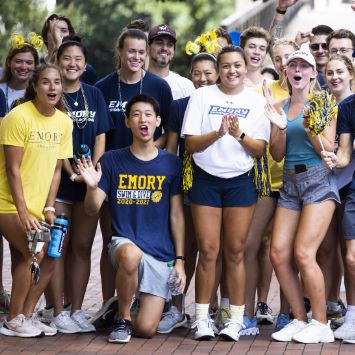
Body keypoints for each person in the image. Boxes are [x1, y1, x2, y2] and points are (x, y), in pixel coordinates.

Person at [76, 94, 186, 343]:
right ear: (127, 122)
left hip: (160, 253)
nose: (142, 120)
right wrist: (92, 187)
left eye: (148, 114)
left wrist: (179, 260)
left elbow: (177, 215)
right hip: (124, 245)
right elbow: (92, 210)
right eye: (136, 115)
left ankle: (117, 310)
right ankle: (124, 319)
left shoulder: (171, 164)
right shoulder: (112, 159)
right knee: (130, 254)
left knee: (147, 329)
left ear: (158, 121)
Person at [181, 45, 270, 341]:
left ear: (246, 68)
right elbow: (190, 145)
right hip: (205, 180)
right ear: (218, 70)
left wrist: (238, 134)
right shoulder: (201, 96)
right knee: (208, 251)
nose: (232, 71)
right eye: (226, 66)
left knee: (235, 251)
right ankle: (203, 318)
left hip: (240, 181)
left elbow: (259, 151)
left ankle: (234, 319)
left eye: (237, 65)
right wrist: (218, 133)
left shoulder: (255, 102)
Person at [93, 28, 173, 320]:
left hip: (147, 177)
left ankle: (142, 300)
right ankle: (109, 303)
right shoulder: (102, 87)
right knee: (111, 241)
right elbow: (100, 133)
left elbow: (165, 134)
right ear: (120, 52)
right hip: (111, 175)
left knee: (145, 237)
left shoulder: (159, 86)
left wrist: (144, 157)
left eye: (142, 52)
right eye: (131, 51)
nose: (137, 57)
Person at [266, 48, 339, 343]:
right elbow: (276, 153)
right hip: (290, 183)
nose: (297, 69)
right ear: (287, 72)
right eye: (292, 64)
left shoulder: (322, 102)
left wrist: (309, 125)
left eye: (303, 65)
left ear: (311, 73)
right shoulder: (279, 105)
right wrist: (280, 127)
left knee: (304, 253)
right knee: (278, 253)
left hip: (318, 181)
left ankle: (321, 323)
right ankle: (299, 318)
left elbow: (328, 148)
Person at [40, 38, 114, 333]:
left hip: (88, 184)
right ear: (58, 60)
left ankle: (78, 309)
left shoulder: (94, 94)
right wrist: (73, 172)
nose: (72, 64)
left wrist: (93, 172)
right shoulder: (52, 96)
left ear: (85, 65)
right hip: (61, 184)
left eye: (78, 59)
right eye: (67, 58)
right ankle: (58, 311)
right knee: (58, 247)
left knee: (82, 248)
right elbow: (58, 144)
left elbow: (101, 137)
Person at [0, 63, 73, 337]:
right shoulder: (18, 117)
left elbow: (56, 169)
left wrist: (49, 206)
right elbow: (12, 169)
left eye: (56, 82)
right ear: (34, 86)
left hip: (37, 207)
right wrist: (23, 212)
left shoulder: (64, 122)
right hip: (7, 203)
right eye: (46, 82)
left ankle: (26, 315)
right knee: (36, 251)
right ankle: (13, 318)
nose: (52, 87)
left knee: (49, 253)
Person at [158, 52, 219, 334]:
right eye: (197, 73)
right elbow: (171, 150)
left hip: (218, 185)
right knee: (184, 248)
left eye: (209, 72)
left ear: (217, 74)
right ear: (189, 76)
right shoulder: (180, 106)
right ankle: (176, 307)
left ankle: (213, 307)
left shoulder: (225, 103)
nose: (203, 78)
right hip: (186, 183)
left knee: (213, 248)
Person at [321, 93, 355, 344]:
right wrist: (335, 160)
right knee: (351, 258)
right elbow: (344, 152)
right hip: (354, 190)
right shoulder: (347, 107)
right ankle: (353, 317)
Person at [41, 13, 97, 85]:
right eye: (53, 31)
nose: (58, 35)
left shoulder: (86, 70)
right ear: (45, 37)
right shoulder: (36, 66)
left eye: (64, 31)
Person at [148, 24, 195, 99]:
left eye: (170, 44)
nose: (165, 48)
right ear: (148, 48)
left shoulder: (186, 85)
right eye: (159, 43)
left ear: (174, 51)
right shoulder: (136, 81)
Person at [0, 41, 39, 113]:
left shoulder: (39, 92)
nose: (23, 67)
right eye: (18, 61)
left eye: (29, 63)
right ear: (9, 62)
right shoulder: (0, 88)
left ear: (35, 65)